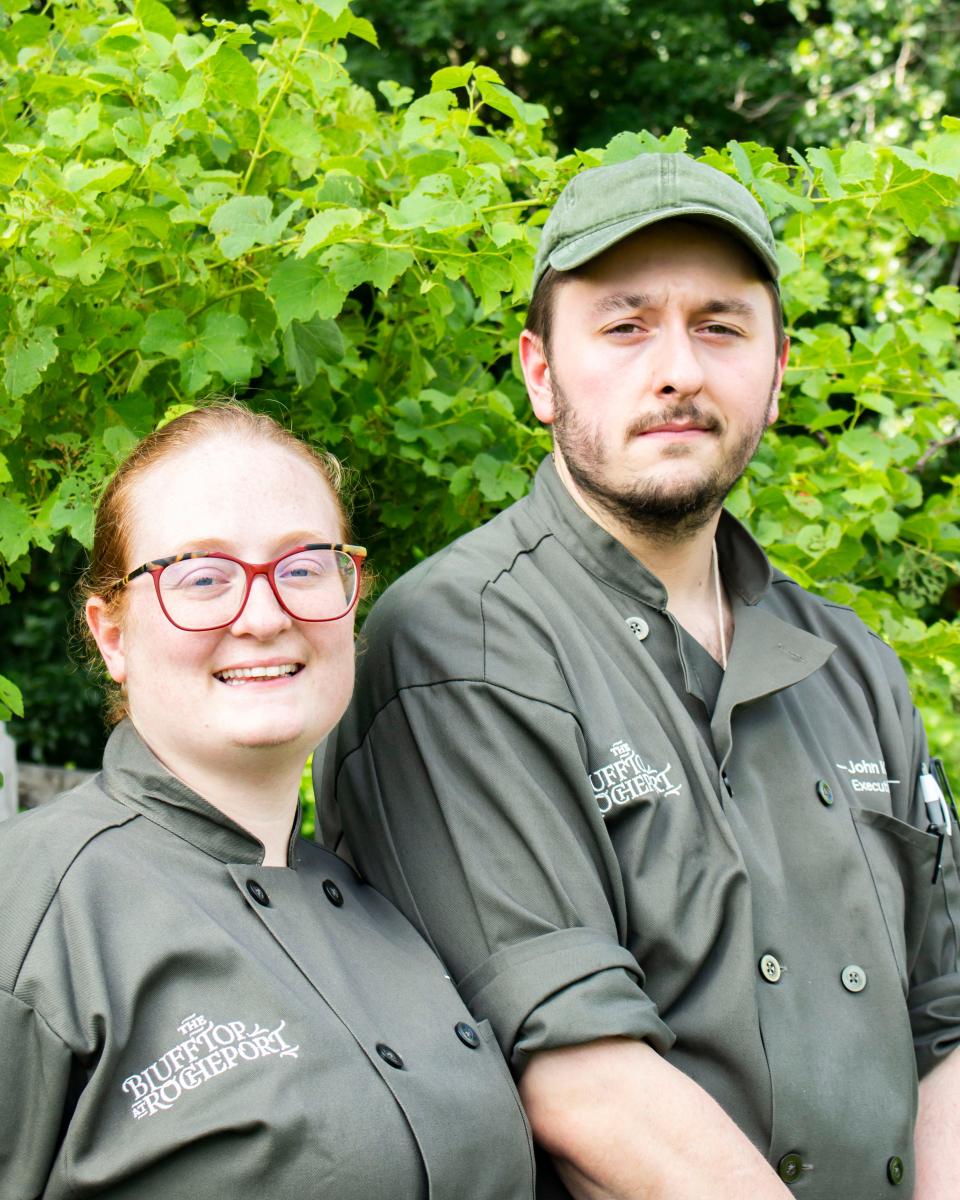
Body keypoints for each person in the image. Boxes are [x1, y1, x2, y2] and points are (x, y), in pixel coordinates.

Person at [323, 154, 960, 1200]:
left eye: (720, 326)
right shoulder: (462, 645)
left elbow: (947, 1021)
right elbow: (579, 1082)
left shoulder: (853, 663)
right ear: (540, 373)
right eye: (624, 328)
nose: (679, 370)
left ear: (777, 364)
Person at [0, 404, 536, 1200]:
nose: (263, 615)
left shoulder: (398, 914)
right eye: (203, 577)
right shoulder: (30, 906)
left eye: (302, 566)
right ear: (112, 634)